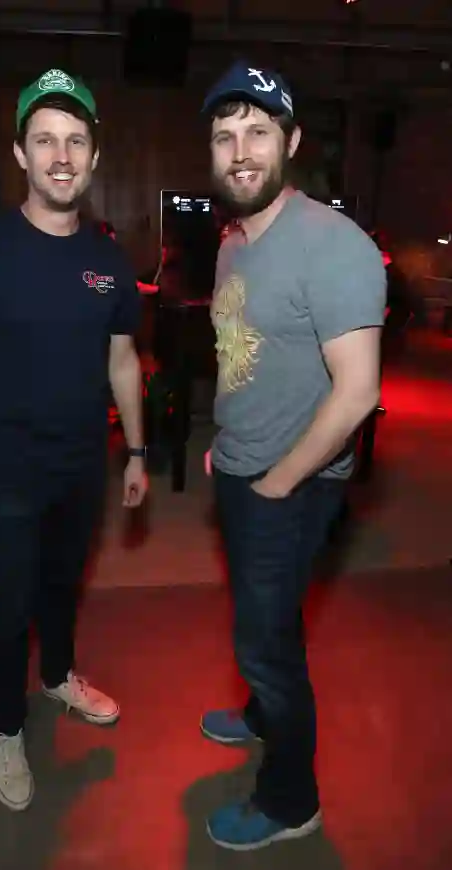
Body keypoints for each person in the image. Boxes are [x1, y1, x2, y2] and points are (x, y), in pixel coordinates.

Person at [0, 68, 148, 812]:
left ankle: (57, 678)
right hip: (5, 474)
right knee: (8, 607)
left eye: (75, 140)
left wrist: (138, 452)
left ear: (94, 157)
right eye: (45, 139)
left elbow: (121, 361)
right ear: (19, 153)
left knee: (61, 590)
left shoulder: (110, 263)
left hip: (81, 466)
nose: (61, 155)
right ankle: (8, 729)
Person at [199, 61, 386, 850]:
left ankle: (290, 801)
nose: (241, 150)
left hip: (292, 483)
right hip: (243, 468)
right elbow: (241, 350)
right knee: (262, 618)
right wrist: (224, 444)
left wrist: (274, 480)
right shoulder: (234, 240)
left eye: (258, 131)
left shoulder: (334, 245)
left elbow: (358, 393)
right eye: (224, 134)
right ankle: (256, 713)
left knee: (266, 644)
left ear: (292, 141)